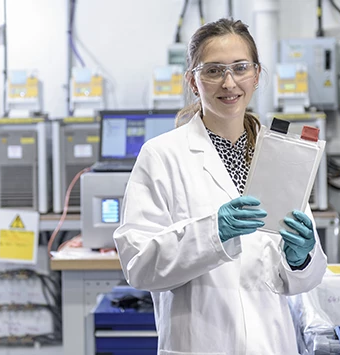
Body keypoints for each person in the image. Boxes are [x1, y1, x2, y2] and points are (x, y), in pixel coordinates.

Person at [113, 18, 327, 355]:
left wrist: (302, 258)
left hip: (271, 344)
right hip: (200, 344)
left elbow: (302, 280)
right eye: (213, 71)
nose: (229, 83)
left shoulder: (280, 157)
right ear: (193, 81)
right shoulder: (162, 156)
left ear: (256, 76)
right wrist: (214, 232)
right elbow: (139, 266)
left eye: (240, 68)